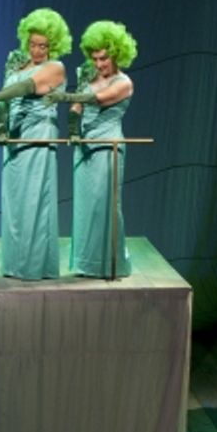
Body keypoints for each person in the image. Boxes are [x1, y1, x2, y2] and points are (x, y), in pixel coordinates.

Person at [0, 7, 70, 280]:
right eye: (32, 44)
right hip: (15, 140)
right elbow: (9, 99)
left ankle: (34, 266)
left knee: (34, 200)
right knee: (15, 201)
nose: (36, 50)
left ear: (53, 46)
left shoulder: (55, 67)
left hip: (37, 136)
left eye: (43, 45)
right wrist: (1, 125)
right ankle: (15, 264)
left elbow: (26, 88)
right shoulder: (19, 65)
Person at [44, 20, 137, 278]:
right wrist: (73, 130)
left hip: (108, 148)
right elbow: (77, 110)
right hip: (84, 149)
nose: (99, 64)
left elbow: (99, 99)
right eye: (95, 59)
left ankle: (110, 263)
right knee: (86, 207)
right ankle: (87, 263)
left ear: (116, 54)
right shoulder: (89, 78)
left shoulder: (124, 82)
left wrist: (65, 96)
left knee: (105, 205)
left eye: (104, 58)